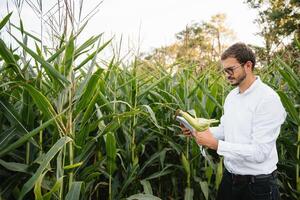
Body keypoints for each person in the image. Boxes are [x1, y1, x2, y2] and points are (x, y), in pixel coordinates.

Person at [181, 42, 286, 200]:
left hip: (258, 186)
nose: (227, 74)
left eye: (231, 69)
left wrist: (215, 145)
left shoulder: (267, 99)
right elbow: (226, 130)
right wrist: (198, 131)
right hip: (230, 181)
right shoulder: (232, 97)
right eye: (225, 71)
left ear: (248, 65)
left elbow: (260, 153)